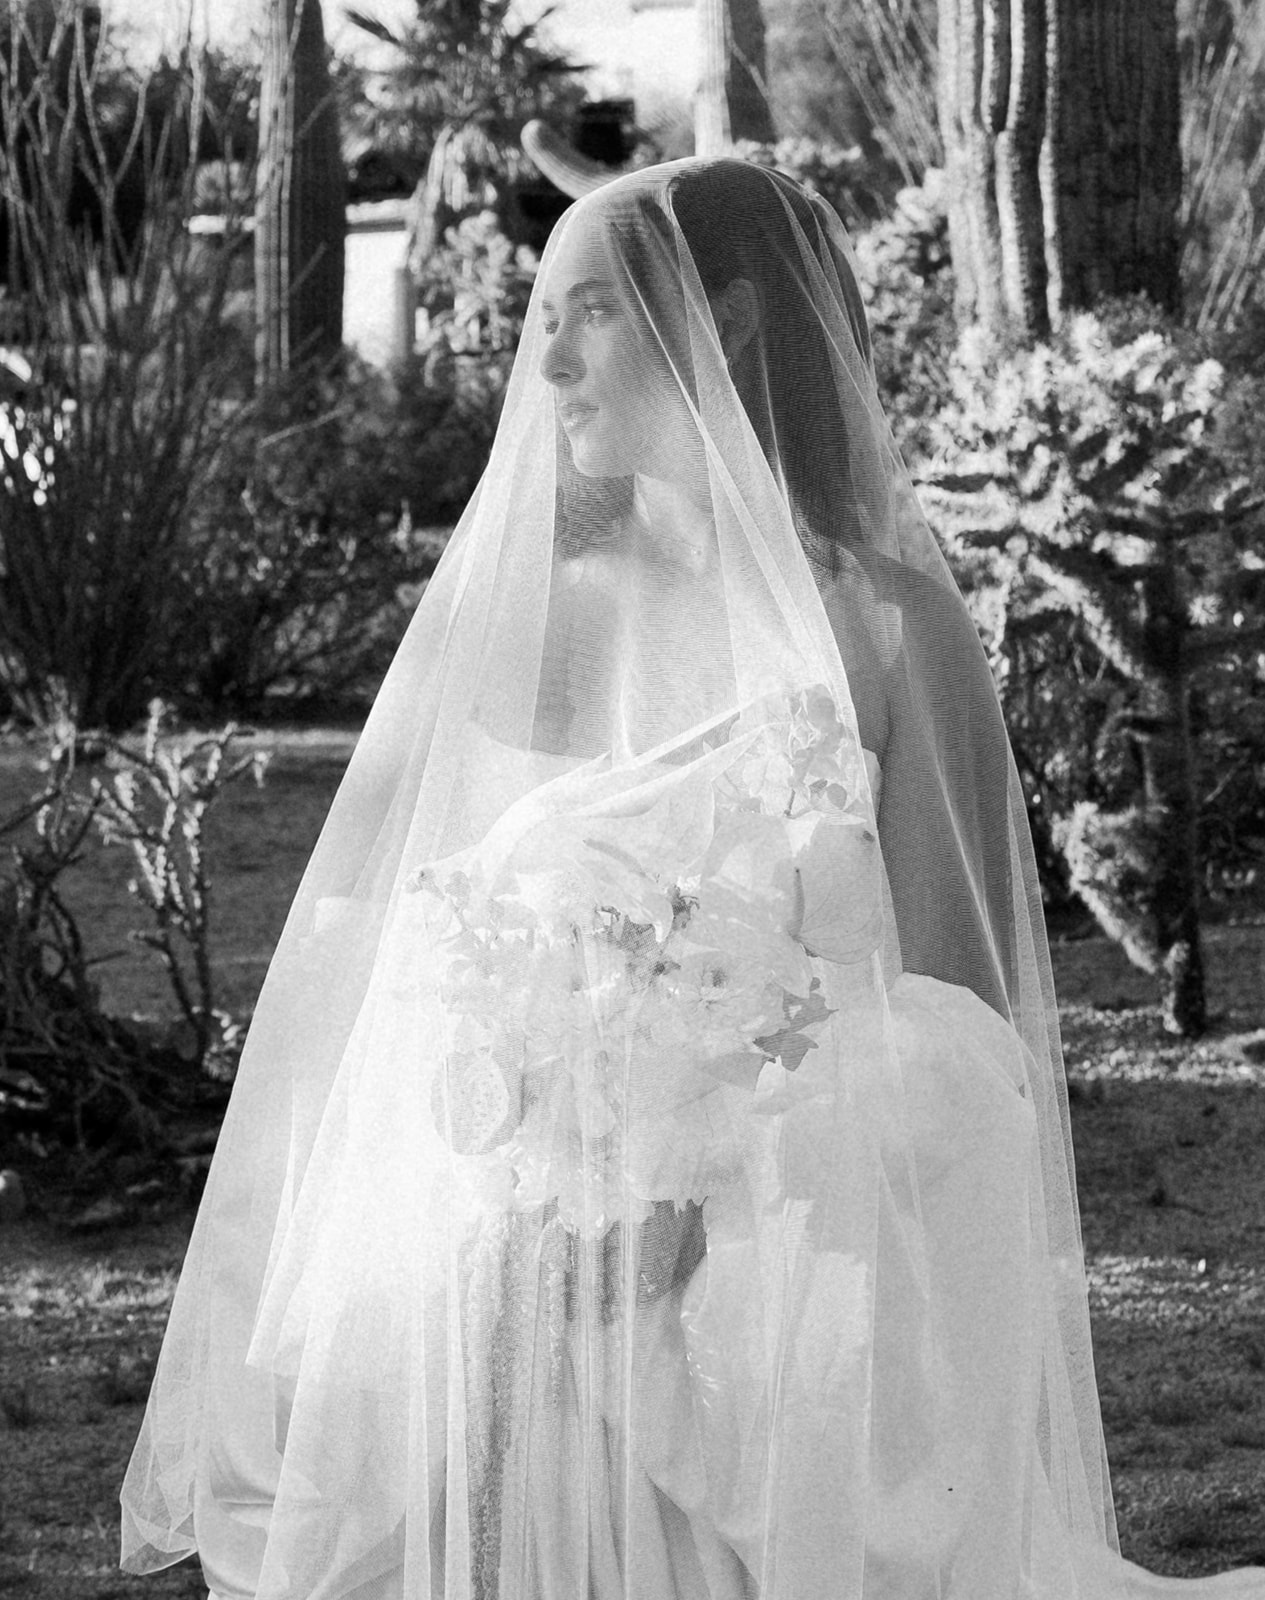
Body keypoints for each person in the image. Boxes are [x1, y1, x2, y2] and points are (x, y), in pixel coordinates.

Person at [120, 159, 1265, 1600]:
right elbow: (410, 931)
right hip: (514, 1243)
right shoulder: (547, 625)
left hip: (776, 1275)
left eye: (589, 311)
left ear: (719, 323)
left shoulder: (893, 632)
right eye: (549, 315)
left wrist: (694, 1175)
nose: (544, 360)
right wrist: (536, 1156)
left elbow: (957, 1029)